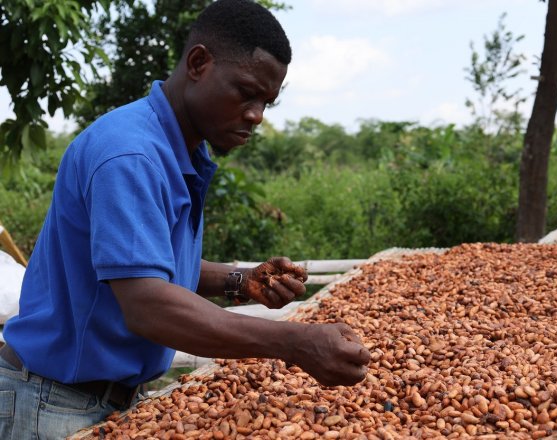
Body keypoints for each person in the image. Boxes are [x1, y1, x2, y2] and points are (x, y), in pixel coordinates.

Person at [0, 1, 370, 438]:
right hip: (56, 402)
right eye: (245, 93)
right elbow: (148, 305)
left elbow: (145, 268)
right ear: (199, 63)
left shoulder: (178, 150)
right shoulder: (131, 154)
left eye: (266, 102)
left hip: (103, 399)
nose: (256, 116)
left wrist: (241, 280)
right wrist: (295, 343)